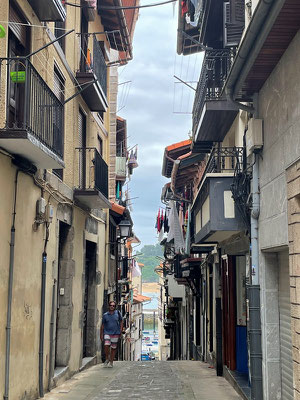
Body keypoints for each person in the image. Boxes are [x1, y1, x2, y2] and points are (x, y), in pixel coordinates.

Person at [100, 300, 123, 368]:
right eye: (111, 305)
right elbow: (102, 325)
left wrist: (121, 330)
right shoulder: (105, 315)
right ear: (108, 306)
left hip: (116, 333)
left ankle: (111, 361)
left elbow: (121, 321)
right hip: (107, 333)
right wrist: (101, 334)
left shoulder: (118, 313)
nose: (112, 307)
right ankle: (107, 358)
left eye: (113, 306)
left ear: (115, 307)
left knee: (113, 348)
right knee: (106, 345)